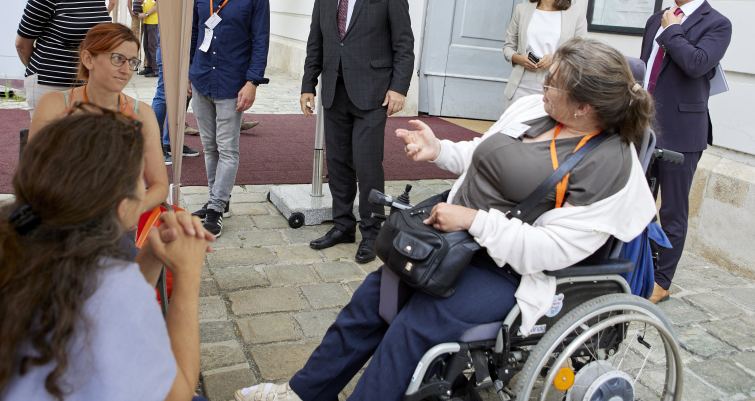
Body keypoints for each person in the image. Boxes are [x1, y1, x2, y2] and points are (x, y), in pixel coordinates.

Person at [236, 38, 656, 401]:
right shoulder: (535, 110)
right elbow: (483, 153)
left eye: (554, 83)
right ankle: (302, 393)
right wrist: (439, 151)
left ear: (584, 108)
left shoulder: (611, 168)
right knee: (373, 299)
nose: (543, 84)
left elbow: (549, 251)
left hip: (509, 269)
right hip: (456, 240)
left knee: (415, 325)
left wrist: (474, 221)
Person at [0, 112, 214, 401]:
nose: (145, 189)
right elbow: (176, 393)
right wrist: (188, 278)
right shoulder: (105, 284)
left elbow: (119, 315)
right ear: (121, 207)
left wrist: (152, 254)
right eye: (139, 182)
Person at [300, 0, 415, 264]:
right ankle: (342, 225)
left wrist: (399, 87)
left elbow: (404, 44)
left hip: (373, 94)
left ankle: (373, 231)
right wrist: (309, 83)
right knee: (337, 164)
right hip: (334, 92)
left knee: (367, 166)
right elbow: (315, 43)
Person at [640, 0, 732, 304]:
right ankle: (633, 267)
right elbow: (648, 70)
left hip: (682, 133)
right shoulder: (656, 19)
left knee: (672, 211)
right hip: (642, 128)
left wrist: (673, 31)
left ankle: (661, 282)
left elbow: (696, 64)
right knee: (637, 203)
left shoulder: (716, 23)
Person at [29, 23, 169, 213]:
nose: (126, 69)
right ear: (88, 59)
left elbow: (160, 185)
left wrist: (134, 209)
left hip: (116, 224)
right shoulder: (55, 104)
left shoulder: (143, 114)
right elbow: (33, 174)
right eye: (118, 59)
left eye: (132, 62)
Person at [189, 0, 270, 236]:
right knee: (209, 146)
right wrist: (187, 71)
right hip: (201, 78)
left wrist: (252, 82)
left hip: (232, 81)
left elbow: (261, 41)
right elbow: (195, 32)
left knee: (228, 148)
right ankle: (217, 202)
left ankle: (216, 205)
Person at [503, 0, 587, 108]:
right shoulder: (522, 9)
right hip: (520, 87)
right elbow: (508, 47)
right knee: (513, 130)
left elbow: (581, 53)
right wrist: (519, 59)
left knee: (546, 132)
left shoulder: (576, 13)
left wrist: (556, 58)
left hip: (556, 87)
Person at [152, 33, 200, 165]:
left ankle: (171, 143)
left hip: (188, 44)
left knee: (184, 93)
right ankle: (155, 146)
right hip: (170, 41)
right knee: (164, 93)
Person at [136, 0, 158, 77]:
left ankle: (155, 69)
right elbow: (144, 0)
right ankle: (149, 67)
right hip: (147, 21)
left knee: (153, 46)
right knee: (147, 45)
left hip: (154, 21)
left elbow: (158, 4)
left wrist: (146, 14)